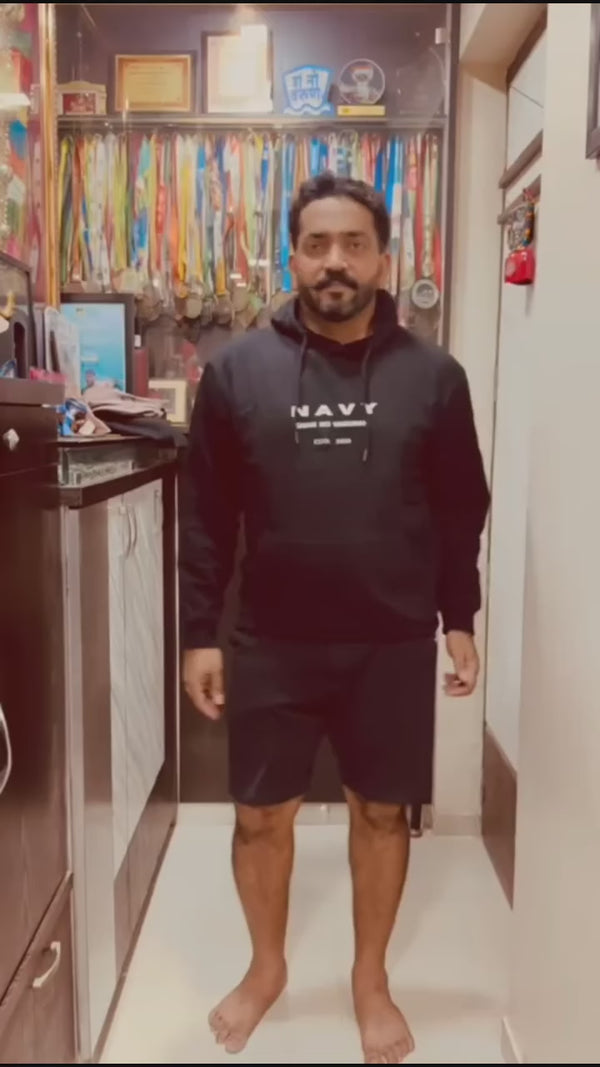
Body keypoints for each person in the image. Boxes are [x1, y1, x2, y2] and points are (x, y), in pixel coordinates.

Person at [180, 172, 490, 1064]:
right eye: (316, 244)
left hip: (390, 638)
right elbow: (206, 514)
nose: (335, 262)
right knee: (258, 817)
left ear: (383, 258)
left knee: (382, 815)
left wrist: (458, 615)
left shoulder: (434, 377)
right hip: (271, 639)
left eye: (354, 243)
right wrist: (199, 632)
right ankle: (267, 967)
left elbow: (459, 508)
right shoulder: (238, 371)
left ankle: (370, 978)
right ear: (293, 258)